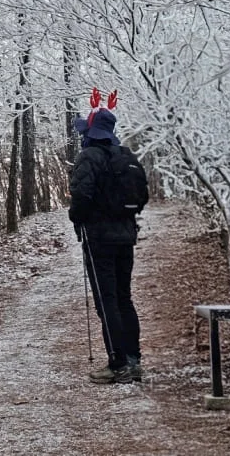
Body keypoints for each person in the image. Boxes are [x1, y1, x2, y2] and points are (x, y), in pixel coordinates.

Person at [68, 96, 148, 384]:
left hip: (99, 239)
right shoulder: (125, 156)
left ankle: (118, 364)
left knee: (107, 301)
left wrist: (78, 217)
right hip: (125, 237)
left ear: (90, 134)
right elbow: (143, 197)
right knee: (124, 298)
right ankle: (134, 360)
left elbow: (81, 197)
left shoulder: (89, 157)